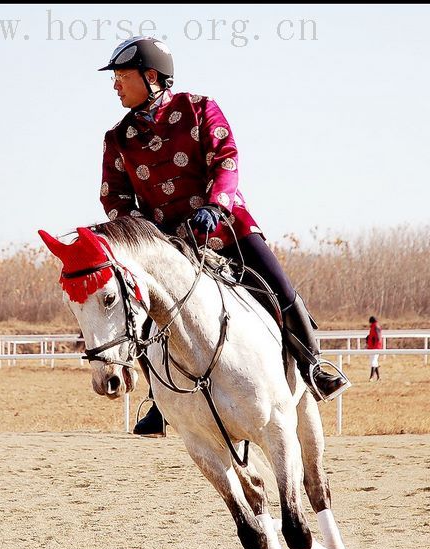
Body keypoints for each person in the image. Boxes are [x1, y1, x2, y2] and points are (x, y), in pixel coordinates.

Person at [97, 36, 351, 435]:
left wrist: (215, 205)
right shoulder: (117, 138)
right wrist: (146, 241)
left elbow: (227, 158)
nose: (115, 86)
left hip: (227, 228)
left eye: (122, 77)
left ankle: (314, 365)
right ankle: (158, 399)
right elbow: (114, 198)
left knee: (281, 292)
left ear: (151, 77)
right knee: (142, 317)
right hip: (168, 250)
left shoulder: (199, 108)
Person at [365, 316, 383, 381]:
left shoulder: (375, 327)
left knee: (373, 362)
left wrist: (374, 346)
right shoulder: (374, 327)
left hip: (375, 347)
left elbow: (377, 338)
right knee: (375, 362)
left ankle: (371, 377)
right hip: (373, 347)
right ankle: (378, 377)